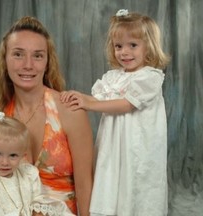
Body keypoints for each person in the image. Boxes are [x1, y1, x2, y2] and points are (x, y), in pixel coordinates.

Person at [0, 16, 94, 216]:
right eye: (18, 54)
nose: (28, 65)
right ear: (5, 60)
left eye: (38, 56)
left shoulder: (70, 111)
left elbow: (85, 185)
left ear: (47, 62)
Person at [60, 9, 170, 216]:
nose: (124, 52)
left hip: (137, 147)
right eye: (118, 46)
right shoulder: (113, 77)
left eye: (133, 45)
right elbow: (99, 99)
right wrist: (78, 97)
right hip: (113, 146)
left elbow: (125, 105)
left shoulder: (149, 77)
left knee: (136, 183)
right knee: (111, 178)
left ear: (148, 47)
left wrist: (88, 103)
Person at [0, 111, 74, 216]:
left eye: (13, 155)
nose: (5, 162)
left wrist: (38, 211)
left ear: (23, 156)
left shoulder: (28, 174)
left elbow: (39, 197)